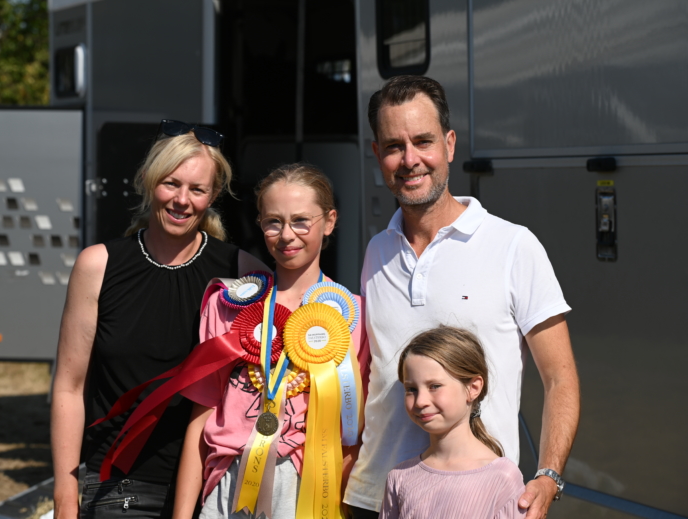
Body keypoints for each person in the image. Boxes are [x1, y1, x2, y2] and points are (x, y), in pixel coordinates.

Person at [344, 75, 581, 519]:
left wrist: (548, 476)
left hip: (475, 501)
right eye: (394, 146)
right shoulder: (377, 250)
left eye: (423, 141)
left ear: (449, 145)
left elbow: (560, 378)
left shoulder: (513, 246)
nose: (410, 160)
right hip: (375, 498)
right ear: (377, 155)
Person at [51, 120, 266, 519]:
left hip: (213, 484)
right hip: (118, 484)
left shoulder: (244, 275)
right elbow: (69, 385)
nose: (182, 200)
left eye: (197, 189)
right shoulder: (97, 266)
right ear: (150, 182)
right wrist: (65, 494)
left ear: (213, 195)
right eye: (171, 184)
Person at [172, 163, 370, 519]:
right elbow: (200, 417)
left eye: (301, 220)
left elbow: (352, 433)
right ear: (260, 223)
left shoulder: (355, 316)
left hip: (309, 491)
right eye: (274, 222)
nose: (287, 235)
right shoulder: (226, 305)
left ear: (329, 221)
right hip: (228, 486)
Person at [380, 326, 526, 519]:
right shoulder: (399, 477)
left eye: (435, 386)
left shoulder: (502, 478)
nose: (421, 401)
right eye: (411, 389)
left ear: (473, 388)